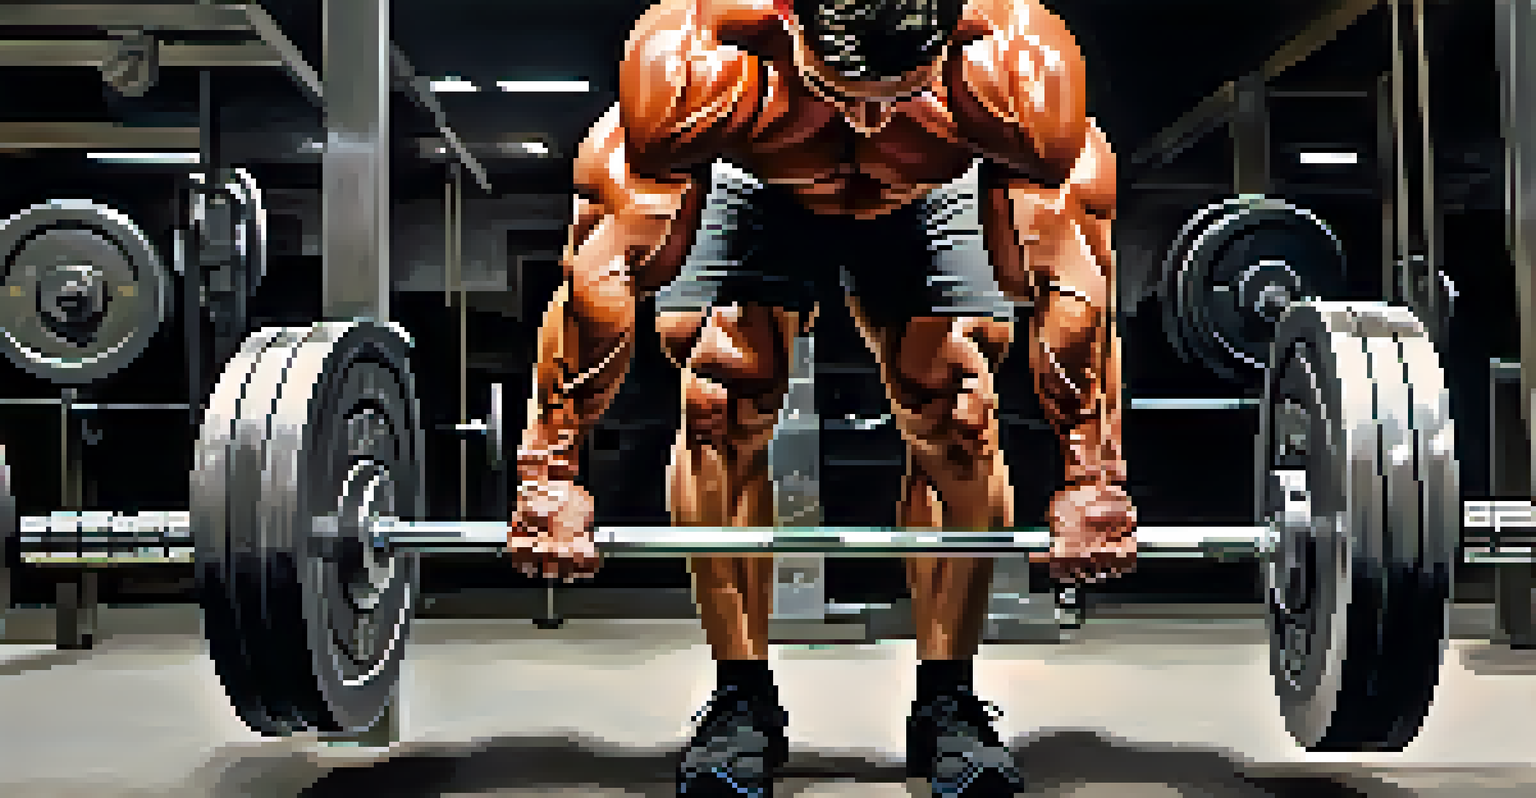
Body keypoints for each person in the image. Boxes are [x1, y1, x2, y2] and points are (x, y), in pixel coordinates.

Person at [507, 0, 1138, 794]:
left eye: (900, 95)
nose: (871, 124)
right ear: (788, 23)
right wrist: (549, 470)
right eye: (844, 94)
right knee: (719, 396)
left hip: (932, 192)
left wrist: (1093, 480)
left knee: (957, 403)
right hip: (755, 181)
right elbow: (598, 268)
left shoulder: (1014, 62)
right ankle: (742, 697)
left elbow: (1078, 277)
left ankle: (948, 700)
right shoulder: (697, 57)